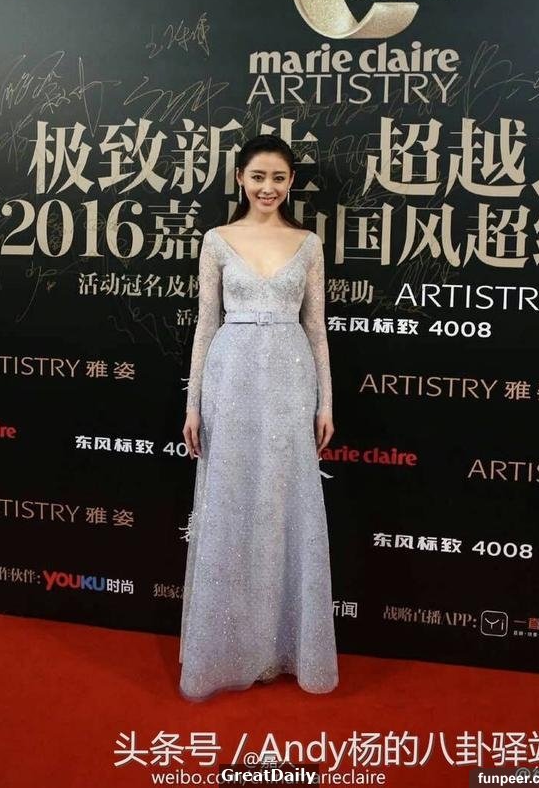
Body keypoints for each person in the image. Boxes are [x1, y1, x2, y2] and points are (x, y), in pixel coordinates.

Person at [179, 133, 338, 701]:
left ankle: (278, 646)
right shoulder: (217, 240)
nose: (267, 187)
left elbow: (317, 328)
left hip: (291, 380)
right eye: (258, 176)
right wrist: (193, 402)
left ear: (290, 183)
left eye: (278, 178)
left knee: (282, 505)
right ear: (240, 179)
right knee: (232, 502)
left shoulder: (308, 244)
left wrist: (325, 402)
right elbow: (205, 324)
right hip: (232, 378)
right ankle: (228, 647)